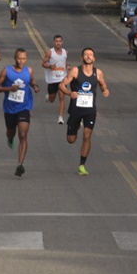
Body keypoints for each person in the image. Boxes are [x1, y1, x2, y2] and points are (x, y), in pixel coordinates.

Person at [58, 47, 110, 176]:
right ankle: (75, 126)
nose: (88, 56)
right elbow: (61, 85)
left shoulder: (98, 73)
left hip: (90, 110)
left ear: (94, 58)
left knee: (87, 135)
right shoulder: (75, 71)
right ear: (82, 58)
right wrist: (69, 93)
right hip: (76, 109)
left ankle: (82, 165)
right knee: (71, 140)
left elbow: (103, 84)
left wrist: (105, 90)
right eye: (86, 54)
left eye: (90, 54)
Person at [0, 48, 40, 177]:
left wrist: (35, 86)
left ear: (26, 58)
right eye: (19, 58)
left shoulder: (29, 70)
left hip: (24, 107)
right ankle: (10, 137)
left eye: (23, 58)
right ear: (15, 58)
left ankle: (20, 164)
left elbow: (32, 81)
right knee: (11, 132)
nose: (21, 61)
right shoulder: (6, 71)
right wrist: (9, 88)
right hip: (9, 108)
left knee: (23, 134)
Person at [41, 35, 69, 124]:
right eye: (56, 41)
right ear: (54, 42)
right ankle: (49, 97)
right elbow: (43, 63)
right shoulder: (50, 53)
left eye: (60, 41)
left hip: (62, 78)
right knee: (52, 99)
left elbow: (64, 61)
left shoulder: (65, 52)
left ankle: (60, 117)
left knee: (61, 97)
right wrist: (49, 66)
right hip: (52, 79)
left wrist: (68, 66)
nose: (58, 43)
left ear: (62, 42)